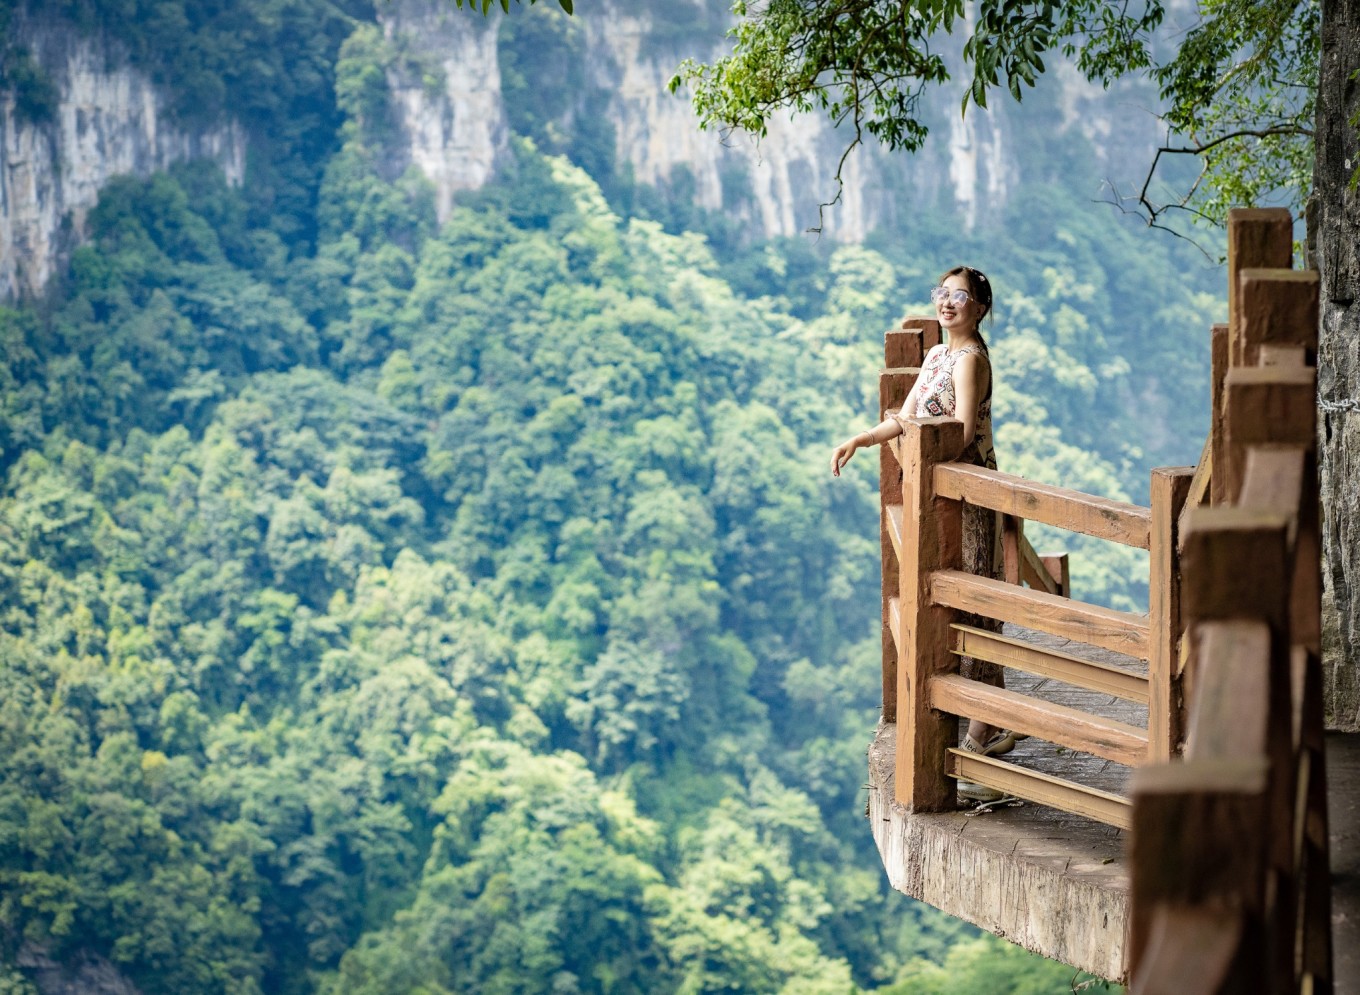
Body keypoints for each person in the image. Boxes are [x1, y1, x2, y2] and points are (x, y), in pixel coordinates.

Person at [830, 265, 1014, 803]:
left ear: (980, 308)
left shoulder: (971, 359)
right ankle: (986, 718)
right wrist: (864, 438)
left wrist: (919, 457)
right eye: (942, 294)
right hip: (940, 497)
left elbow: (960, 432)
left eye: (960, 296)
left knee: (974, 606)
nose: (947, 303)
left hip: (969, 495)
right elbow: (907, 418)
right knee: (951, 604)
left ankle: (984, 729)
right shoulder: (936, 355)